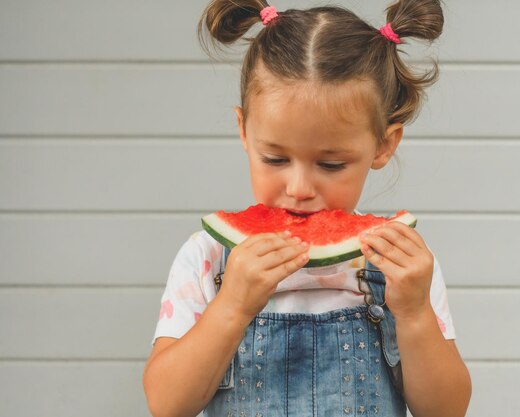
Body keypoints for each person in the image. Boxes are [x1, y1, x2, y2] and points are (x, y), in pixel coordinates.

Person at [143, 1, 471, 416]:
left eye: (331, 164)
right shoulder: (207, 257)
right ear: (243, 130)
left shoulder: (400, 264)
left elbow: (446, 410)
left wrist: (414, 313)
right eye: (275, 159)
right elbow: (166, 404)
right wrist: (232, 306)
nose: (299, 189)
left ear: (384, 145)